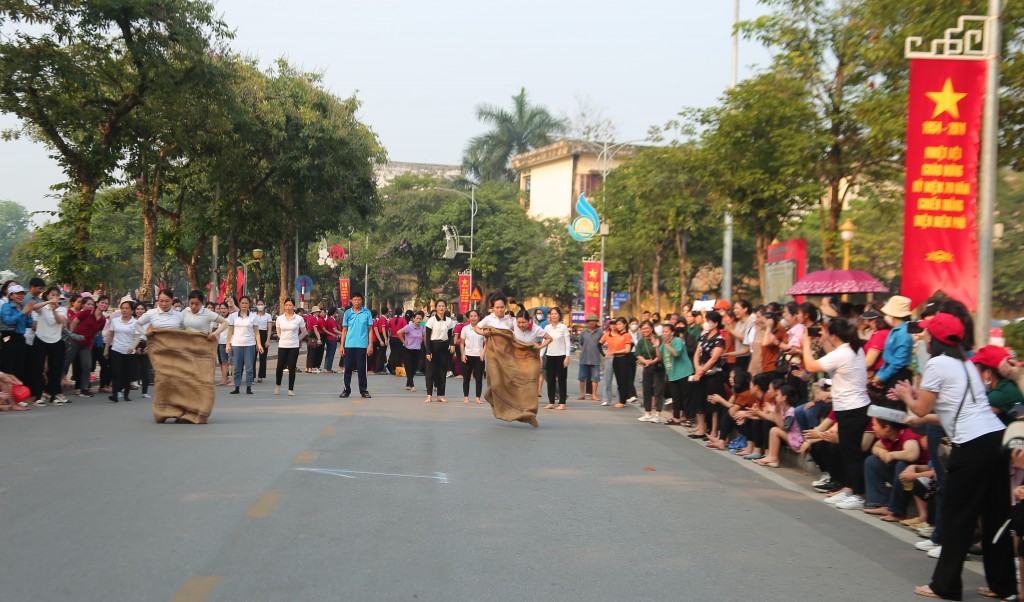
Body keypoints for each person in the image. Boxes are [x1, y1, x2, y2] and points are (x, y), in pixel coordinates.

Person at [893, 312, 1015, 601]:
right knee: (996, 515)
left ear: (934, 339)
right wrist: (915, 398)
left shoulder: (937, 363)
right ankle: (1004, 586)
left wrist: (905, 394)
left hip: (971, 445)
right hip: (996, 439)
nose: (921, 337)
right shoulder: (965, 363)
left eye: (925, 334)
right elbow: (946, 411)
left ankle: (945, 586)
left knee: (958, 516)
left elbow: (920, 410)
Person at [862, 417, 927, 521]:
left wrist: (891, 455)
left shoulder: (907, 434)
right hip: (904, 479)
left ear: (887, 427)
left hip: (919, 479)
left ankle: (897, 511)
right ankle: (879, 503)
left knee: (902, 465)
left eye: (875, 425)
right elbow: (875, 447)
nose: (873, 428)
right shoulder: (889, 437)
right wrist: (882, 452)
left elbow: (912, 455)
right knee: (872, 461)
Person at [690, 311, 727, 439]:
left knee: (712, 402)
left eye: (709, 321)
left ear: (716, 323)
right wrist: (697, 367)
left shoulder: (720, 340)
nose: (707, 323)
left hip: (713, 374)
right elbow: (697, 353)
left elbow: (714, 358)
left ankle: (714, 431)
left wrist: (701, 371)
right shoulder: (703, 336)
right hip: (700, 372)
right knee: (698, 399)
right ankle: (701, 427)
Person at [30, 286, 67, 405]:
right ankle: (38, 395)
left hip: (55, 341)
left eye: (57, 295)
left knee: (55, 369)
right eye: (52, 294)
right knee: (38, 368)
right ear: (47, 296)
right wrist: (47, 303)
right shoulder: (42, 307)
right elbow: (33, 307)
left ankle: (54, 395)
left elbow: (60, 321)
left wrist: (54, 309)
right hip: (41, 340)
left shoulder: (62, 309)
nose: (55, 297)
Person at [970, 345, 1024, 424]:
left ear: (988, 373)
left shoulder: (1002, 393)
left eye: (975, 368)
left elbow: (973, 416)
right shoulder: (1008, 387)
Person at [872, 295, 915, 389]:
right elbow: (888, 356)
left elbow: (899, 361)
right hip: (890, 372)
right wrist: (880, 374)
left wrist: (882, 377)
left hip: (899, 376)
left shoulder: (903, 333)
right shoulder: (894, 330)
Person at [69, 295, 108, 397]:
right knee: (65, 363)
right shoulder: (87, 312)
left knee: (87, 366)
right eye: (102, 302)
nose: (104, 305)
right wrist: (73, 335)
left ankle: (84, 388)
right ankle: (55, 389)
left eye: (106, 303)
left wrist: (89, 338)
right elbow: (74, 322)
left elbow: (97, 332)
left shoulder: (103, 320)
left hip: (86, 345)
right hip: (75, 341)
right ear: (98, 303)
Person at [225, 296, 263, 395]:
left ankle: (249, 387)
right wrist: (228, 344)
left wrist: (259, 344)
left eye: (246, 303)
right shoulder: (233, 316)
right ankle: (237, 387)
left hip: (250, 344)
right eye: (242, 303)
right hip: (237, 344)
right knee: (237, 367)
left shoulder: (253, 316)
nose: (244, 305)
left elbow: (256, 331)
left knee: (249, 367)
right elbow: (230, 331)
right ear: (239, 304)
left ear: (249, 304)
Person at [339, 292, 373, 399]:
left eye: (359, 299)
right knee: (347, 369)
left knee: (362, 369)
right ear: (351, 301)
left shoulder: (367, 313)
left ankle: (364, 390)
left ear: (362, 300)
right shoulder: (348, 313)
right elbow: (344, 330)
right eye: (355, 299)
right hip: (349, 345)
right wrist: (341, 346)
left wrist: (370, 344)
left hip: (362, 345)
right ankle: (346, 389)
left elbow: (370, 330)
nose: (357, 301)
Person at [103, 299, 138, 403]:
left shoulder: (136, 323)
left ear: (132, 311)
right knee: (115, 372)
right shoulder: (115, 321)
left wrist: (132, 347)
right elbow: (111, 335)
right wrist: (106, 350)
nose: (124, 310)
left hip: (129, 352)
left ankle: (126, 393)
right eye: (122, 308)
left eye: (127, 308)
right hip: (116, 350)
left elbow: (137, 338)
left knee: (127, 374)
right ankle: (115, 394)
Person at [662, 323, 695, 426]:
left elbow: (676, 354)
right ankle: (676, 417)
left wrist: (666, 344)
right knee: (675, 397)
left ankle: (689, 418)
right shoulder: (663, 344)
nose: (664, 334)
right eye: (663, 332)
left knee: (686, 396)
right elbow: (659, 356)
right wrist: (657, 346)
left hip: (684, 372)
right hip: (673, 373)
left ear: (672, 333)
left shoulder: (678, 341)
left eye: (666, 331)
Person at [424, 300, 456, 404]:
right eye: (439, 306)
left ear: (446, 308)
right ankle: (429, 395)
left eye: (443, 306)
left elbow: (451, 335)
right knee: (430, 372)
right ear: (436, 308)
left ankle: (440, 395)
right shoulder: (431, 320)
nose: (441, 308)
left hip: (444, 347)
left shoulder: (449, 321)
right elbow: (427, 337)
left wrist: (452, 344)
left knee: (442, 372)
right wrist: (428, 351)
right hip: (433, 346)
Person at [0, 284, 33, 384]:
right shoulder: (6, 306)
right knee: (9, 365)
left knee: (20, 366)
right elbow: (7, 321)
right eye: (17, 293)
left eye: (22, 293)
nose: (20, 296)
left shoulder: (23, 307)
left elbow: (29, 324)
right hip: (8, 337)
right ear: (10, 296)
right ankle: (8, 395)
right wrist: (23, 312)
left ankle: (18, 394)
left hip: (20, 338)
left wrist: (28, 314)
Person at [274, 298, 307, 396]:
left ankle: (290, 389)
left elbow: (304, 332)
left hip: (294, 346)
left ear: (294, 306)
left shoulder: (298, 318)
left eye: (290, 305)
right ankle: (278, 385)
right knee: (279, 367)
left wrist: (297, 339)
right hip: (283, 345)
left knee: (292, 367)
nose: (288, 307)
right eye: (286, 305)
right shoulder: (280, 318)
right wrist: (282, 338)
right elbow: (278, 332)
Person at [635, 320, 665, 423]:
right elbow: (638, 354)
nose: (645, 331)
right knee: (646, 390)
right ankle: (647, 413)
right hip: (647, 366)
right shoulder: (641, 341)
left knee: (658, 391)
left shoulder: (659, 339)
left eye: (647, 328)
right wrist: (644, 361)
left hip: (658, 366)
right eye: (643, 329)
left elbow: (661, 355)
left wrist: (653, 360)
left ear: (652, 328)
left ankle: (657, 414)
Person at [600, 318, 634, 408]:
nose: (618, 326)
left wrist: (615, 352)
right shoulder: (616, 335)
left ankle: (622, 401)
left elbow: (627, 350)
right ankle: (620, 400)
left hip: (623, 359)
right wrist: (606, 354)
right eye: (617, 324)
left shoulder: (626, 335)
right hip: (616, 359)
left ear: (625, 324)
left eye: (620, 324)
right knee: (618, 381)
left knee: (622, 381)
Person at [542, 306, 571, 410]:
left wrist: (567, 357)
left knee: (562, 380)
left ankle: (562, 403)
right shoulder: (547, 328)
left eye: (556, 314)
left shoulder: (563, 327)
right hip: (550, 356)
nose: (554, 315)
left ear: (559, 316)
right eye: (552, 314)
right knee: (550, 380)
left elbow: (567, 343)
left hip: (561, 356)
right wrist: (541, 355)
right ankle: (551, 402)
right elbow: (544, 342)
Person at [459, 309, 486, 404]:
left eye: (475, 316)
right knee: (466, 378)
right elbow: (462, 343)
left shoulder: (483, 329)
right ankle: (466, 396)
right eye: (471, 316)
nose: (473, 318)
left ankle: (478, 397)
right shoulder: (465, 329)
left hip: (479, 356)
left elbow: (487, 343)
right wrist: (463, 354)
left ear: (478, 317)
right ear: (468, 318)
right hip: (468, 356)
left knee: (479, 378)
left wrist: (483, 352)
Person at [577, 314, 603, 402]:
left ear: (596, 322)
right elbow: (581, 344)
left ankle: (594, 395)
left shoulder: (600, 332)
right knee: (581, 378)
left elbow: (601, 344)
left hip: (595, 359)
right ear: (588, 322)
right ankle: (582, 394)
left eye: (594, 321)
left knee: (595, 378)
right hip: (584, 358)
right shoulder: (583, 332)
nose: (592, 322)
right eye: (590, 321)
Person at [398, 310, 425, 391]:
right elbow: (398, 332)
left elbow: (423, 336)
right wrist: (404, 341)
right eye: (417, 318)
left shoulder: (421, 328)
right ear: (413, 319)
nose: (418, 320)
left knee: (414, 367)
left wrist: (421, 342)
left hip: (417, 350)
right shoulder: (409, 327)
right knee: (409, 367)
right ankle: (412, 385)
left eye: (420, 319)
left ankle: (408, 384)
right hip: (408, 349)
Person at [252, 299, 274, 382]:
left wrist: (268, 340)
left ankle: (260, 376)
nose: (260, 305)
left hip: (264, 334)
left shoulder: (268, 316)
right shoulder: (253, 315)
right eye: (258, 304)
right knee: (252, 357)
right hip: (254, 334)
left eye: (261, 304)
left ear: (264, 305)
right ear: (256, 305)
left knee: (263, 357)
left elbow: (269, 329)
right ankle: (252, 375)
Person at [387, 307, 407, 375]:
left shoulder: (391, 319)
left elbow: (389, 329)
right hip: (400, 339)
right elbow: (405, 330)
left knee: (393, 353)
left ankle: (392, 368)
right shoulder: (403, 320)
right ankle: (397, 369)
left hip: (392, 338)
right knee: (399, 354)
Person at [322, 307, 341, 374]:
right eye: (336, 312)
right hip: (332, 338)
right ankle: (328, 369)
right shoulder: (332, 320)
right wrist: (343, 333)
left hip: (328, 338)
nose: (337, 314)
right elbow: (334, 330)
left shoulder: (328, 319)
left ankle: (327, 368)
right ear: (334, 313)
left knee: (328, 354)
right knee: (331, 354)